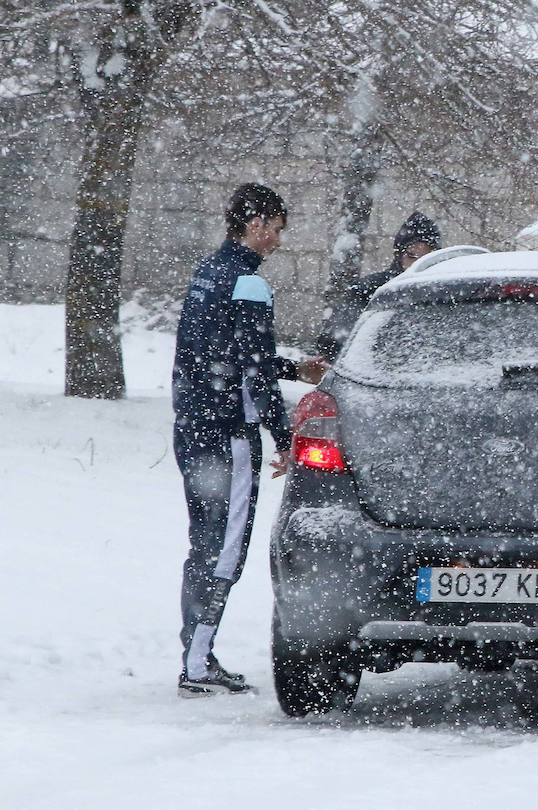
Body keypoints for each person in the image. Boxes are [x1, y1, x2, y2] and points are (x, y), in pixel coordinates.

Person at [172, 183, 327, 697]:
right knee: (223, 549)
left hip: (193, 425)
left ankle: (197, 652)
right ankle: (196, 664)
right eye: (278, 229)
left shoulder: (207, 274)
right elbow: (253, 372)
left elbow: (228, 357)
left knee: (204, 542)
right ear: (257, 222)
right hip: (228, 437)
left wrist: (293, 367)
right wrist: (284, 437)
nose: (279, 241)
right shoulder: (251, 285)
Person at [314, 211, 441, 362]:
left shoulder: (444, 294)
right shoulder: (370, 290)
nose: (417, 264)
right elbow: (332, 342)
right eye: (411, 255)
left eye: (426, 258)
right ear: (399, 255)